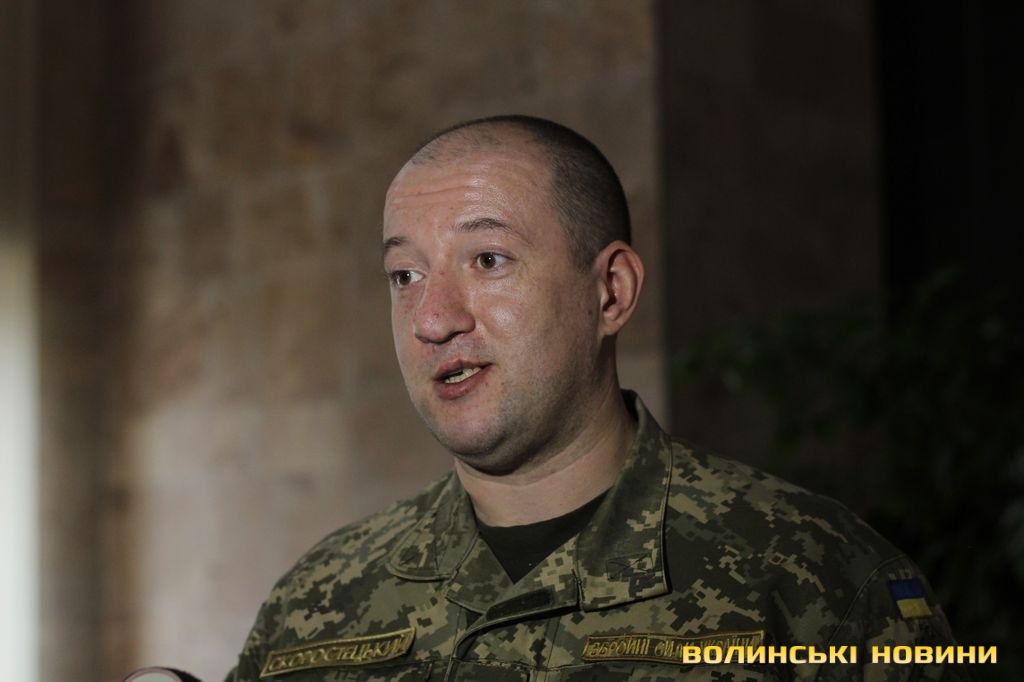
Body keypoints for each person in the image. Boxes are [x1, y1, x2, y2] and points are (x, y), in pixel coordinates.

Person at [225, 115, 967, 681]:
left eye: (488, 260)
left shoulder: (814, 576)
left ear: (610, 292)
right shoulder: (316, 601)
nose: (432, 319)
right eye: (405, 276)